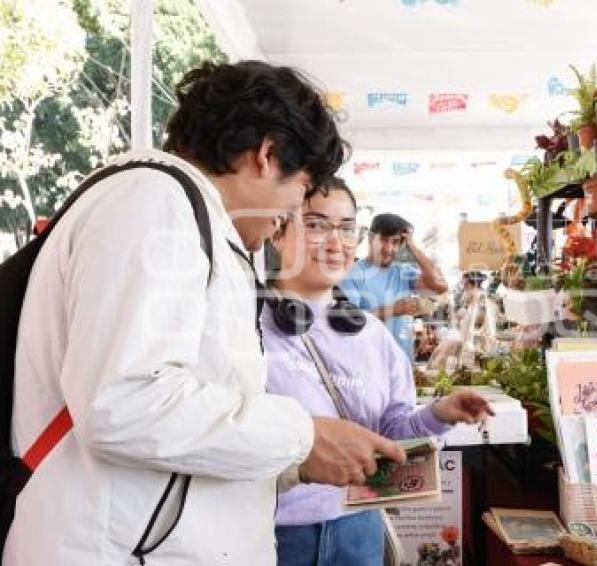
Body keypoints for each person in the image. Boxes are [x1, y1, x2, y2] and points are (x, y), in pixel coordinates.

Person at [5, 61, 405, 565]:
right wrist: (302, 437)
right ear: (268, 153)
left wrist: (293, 460)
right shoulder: (155, 201)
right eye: (302, 190)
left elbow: (179, 426)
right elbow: (124, 403)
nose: (291, 210)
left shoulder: (192, 217)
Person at [261, 178, 492, 565]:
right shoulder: (244, 325)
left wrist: (437, 415)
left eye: (348, 228)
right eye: (316, 224)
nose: (336, 243)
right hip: (269, 531)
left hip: (359, 528)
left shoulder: (373, 337)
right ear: (278, 232)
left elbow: (391, 435)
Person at [340, 213, 448, 359]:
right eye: (384, 240)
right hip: (368, 365)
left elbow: (440, 286)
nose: (389, 248)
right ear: (371, 239)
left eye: (396, 242)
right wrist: (393, 309)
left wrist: (412, 246)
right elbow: (349, 322)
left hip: (403, 365)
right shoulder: (352, 273)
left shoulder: (402, 272)